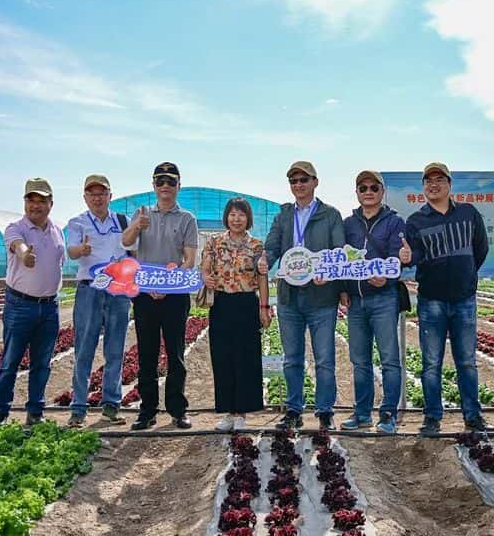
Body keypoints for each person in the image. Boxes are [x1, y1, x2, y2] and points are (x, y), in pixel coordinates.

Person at [404, 162, 494, 436]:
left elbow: (481, 248)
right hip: (431, 300)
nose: (433, 185)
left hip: (464, 299)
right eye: (428, 181)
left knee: (466, 361)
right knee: (431, 363)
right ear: (423, 187)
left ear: (449, 184)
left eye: (439, 180)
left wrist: (466, 275)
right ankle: (432, 417)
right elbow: (415, 256)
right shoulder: (416, 221)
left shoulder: (468, 213)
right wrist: (406, 257)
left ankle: (473, 416)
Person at [258, 161, 345, 431]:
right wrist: (264, 259)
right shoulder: (284, 215)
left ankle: (325, 411)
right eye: (293, 181)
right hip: (290, 297)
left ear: (315, 182)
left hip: (322, 297)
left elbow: (339, 251)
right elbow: (272, 246)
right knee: (292, 358)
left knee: (324, 359)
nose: (298, 185)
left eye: (303, 180)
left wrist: (328, 273)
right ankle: (294, 409)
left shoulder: (330, 215)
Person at [122, 162, 197, 430]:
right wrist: (136, 227)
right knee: (147, 354)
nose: (165, 186)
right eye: (160, 181)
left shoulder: (187, 219)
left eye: (171, 181)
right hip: (145, 295)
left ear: (178, 186)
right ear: (154, 185)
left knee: (175, 353)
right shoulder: (141, 214)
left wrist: (168, 285)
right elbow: (126, 243)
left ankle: (178, 410)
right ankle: (147, 410)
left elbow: (189, 259)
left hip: (174, 296)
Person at [0, 178, 65, 428]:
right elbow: (18, 245)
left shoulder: (57, 231)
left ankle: (35, 413)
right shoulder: (16, 228)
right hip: (20, 305)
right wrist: (25, 255)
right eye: (31, 200)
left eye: (41, 200)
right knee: (10, 361)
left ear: (50, 203)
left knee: (42, 363)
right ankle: (0, 414)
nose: (36, 205)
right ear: (24, 202)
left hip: (50, 306)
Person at [339, 170, 405, 434]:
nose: (368, 192)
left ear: (382, 192)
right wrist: (343, 289)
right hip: (356, 301)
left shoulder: (395, 222)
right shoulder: (348, 224)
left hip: (384, 298)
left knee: (389, 359)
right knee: (360, 360)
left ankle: (388, 415)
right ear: (356, 192)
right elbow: (340, 259)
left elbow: (396, 257)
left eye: (373, 188)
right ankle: (362, 413)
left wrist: (387, 278)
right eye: (363, 188)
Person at [65, 174, 132, 428]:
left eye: (102, 193)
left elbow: (133, 249)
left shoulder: (122, 221)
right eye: (92, 194)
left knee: (115, 350)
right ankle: (78, 408)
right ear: (85, 197)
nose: (97, 198)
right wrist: (80, 250)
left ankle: (111, 406)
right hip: (89, 290)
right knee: (84, 349)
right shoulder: (78, 222)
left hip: (117, 291)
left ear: (110, 196)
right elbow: (71, 251)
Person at [201, 197, 271, 431]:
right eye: (232, 214)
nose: (236, 219)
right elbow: (205, 268)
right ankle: (228, 412)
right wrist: (206, 277)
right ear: (226, 217)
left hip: (246, 304)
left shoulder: (256, 246)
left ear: (248, 218)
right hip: (221, 303)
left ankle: (242, 412)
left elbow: (262, 277)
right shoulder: (214, 242)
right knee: (222, 357)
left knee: (246, 357)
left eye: (241, 214)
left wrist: (264, 307)